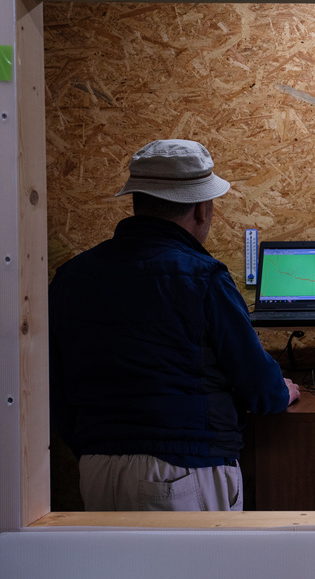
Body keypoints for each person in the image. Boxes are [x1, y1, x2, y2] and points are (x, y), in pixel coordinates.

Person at [49, 138, 300, 511]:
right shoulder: (203, 276)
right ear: (201, 209)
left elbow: (53, 388)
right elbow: (257, 386)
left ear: (137, 204)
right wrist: (283, 391)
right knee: (198, 571)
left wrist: (96, 444)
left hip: (97, 468)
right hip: (186, 469)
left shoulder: (71, 277)